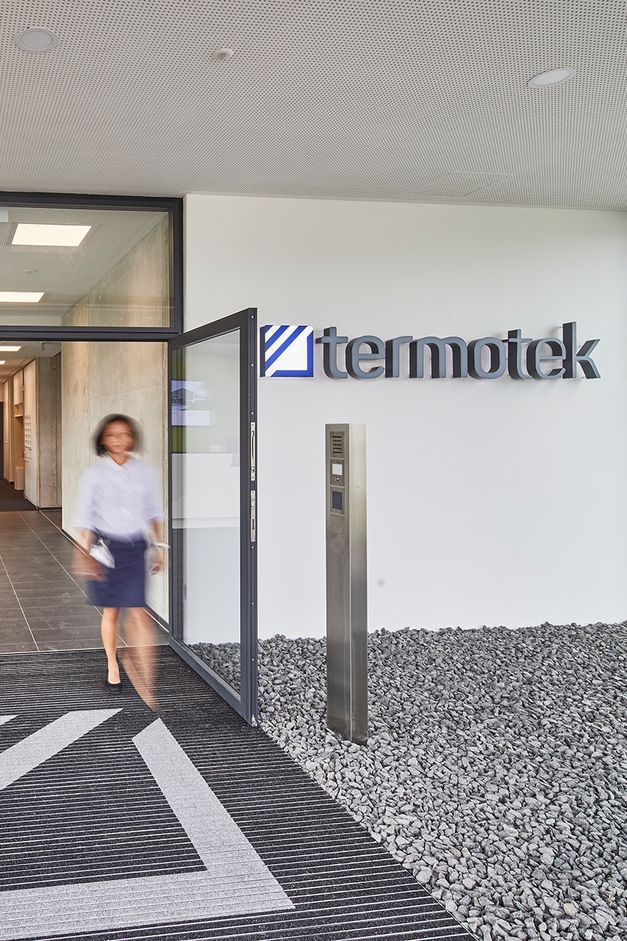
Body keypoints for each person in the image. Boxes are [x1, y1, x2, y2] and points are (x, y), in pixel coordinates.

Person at [73, 414, 165, 709]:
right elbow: (85, 517)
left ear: (132, 438)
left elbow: (154, 512)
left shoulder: (145, 473)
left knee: (140, 612)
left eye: (124, 434)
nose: (119, 440)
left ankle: (147, 678)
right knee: (111, 611)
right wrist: (85, 553)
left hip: (135, 547)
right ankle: (113, 665)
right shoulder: (95, 474)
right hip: (106, 548)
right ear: (103, 439)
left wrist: (159, 546)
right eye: (112, 435)